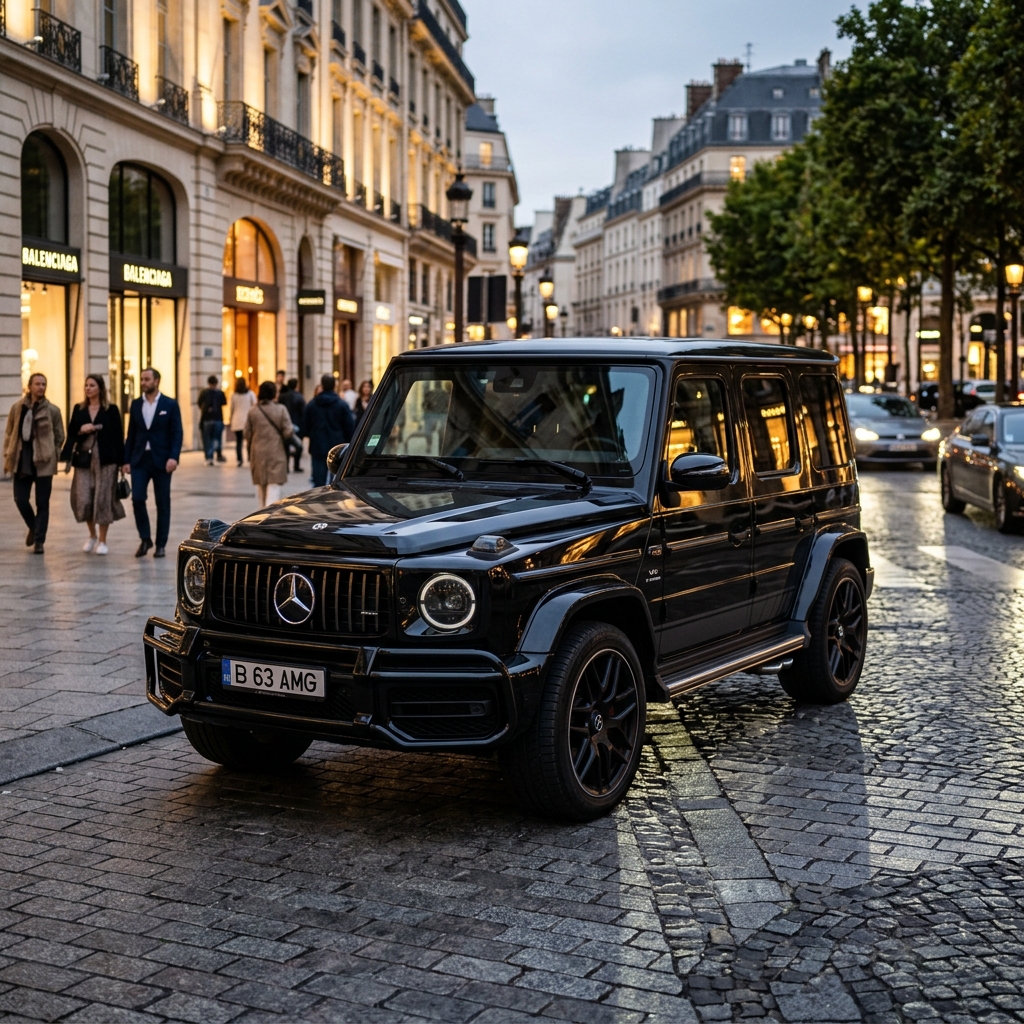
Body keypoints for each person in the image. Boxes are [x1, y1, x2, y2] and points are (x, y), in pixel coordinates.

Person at [61, 374, 125, 555]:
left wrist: (122, 462)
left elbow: (118, 437)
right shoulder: (79, 409)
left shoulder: (111, 409)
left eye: (92, 385)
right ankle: (92, 535)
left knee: (103, 499)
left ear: (100, 388)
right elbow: (72, 432)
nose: (88, 388)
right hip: (84, 460)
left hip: (107, 461)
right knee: (84, 498)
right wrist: (81, 430)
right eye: (86, 385)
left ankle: (103, 541)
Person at [122, 367, 182, 558]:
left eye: (146, 379)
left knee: (162, 502)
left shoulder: (170, 404)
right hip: (140, 459)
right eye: (142, 379)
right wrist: (126, 459)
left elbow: (177, 433)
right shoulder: (136, 404)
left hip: (162, 460)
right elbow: (131, 434)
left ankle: (161, 544)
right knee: (137, 499)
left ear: (156, 381)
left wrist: (173, 457)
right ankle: (145, 538)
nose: (143, 382)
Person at [4, 373, 65, 554]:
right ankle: (34, 526)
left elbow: (59, 435)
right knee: (20, 499)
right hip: (22, 459)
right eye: (37, 384)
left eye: (44, 384)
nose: (41, 387)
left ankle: (39, 541)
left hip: (44, 462)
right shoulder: (17, 408)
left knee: (42, 503)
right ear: (29, 386)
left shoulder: (52, 410)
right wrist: (8, 453)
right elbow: (9, 432)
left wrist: (52, 453)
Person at [245, 380, 294, 508]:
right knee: (274, 486)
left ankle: (260, 514)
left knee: (261, 486)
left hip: (258, 453)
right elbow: (288, 431)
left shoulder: (253, 411)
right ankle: (268, 517)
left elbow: (247, 433)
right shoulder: (281, 409)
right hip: (275, 452)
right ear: (273, 394)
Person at [301, 373, 354, 486]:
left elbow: (304, 427)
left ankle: (320, 500)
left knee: (318, 479)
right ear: (334, 385)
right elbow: (349, 427)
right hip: (338, 447)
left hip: (317, 445)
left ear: (322, 385)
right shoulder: (342, 404)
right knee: (336, 479)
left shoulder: (312, 404)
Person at [278, 377, 306, 473]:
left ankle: (286, 466)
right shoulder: (299, 396)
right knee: (298, 446)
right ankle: (296, 465)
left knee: (285, 445)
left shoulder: (282, 396)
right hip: (296, 424)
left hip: (285, 424)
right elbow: (303, 412)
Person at [197, 375, 227, 466]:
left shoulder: (205, 393)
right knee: (215, 438)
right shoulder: (219, 393)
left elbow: (199, 403)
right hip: (216, 419)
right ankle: (215, 455)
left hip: (208, 419)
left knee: (208, 439)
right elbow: (224, 402)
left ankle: (209, 457)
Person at [229, 377, 256, 466]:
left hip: (237, 420)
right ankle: (250, 458)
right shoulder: (250, 394)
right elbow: (255, 406)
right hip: (247, 421)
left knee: (239, 441)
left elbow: (232, 409)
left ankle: (239, 459)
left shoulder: (234, 395)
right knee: (249, 441)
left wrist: (231, 419)